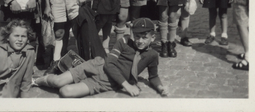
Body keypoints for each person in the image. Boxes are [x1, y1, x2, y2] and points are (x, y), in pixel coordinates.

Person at [33, 18, 168, 98]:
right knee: (58, 81)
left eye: (144, 37)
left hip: (108, 82)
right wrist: (127, 86)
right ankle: (37, 80)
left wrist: (160, 88)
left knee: (65, 91)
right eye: (137, 36)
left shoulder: (152, 55)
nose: (140, 41)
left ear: (153, 38)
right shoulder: (124, 42)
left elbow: (153, 76)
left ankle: (74, 74)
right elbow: (109, 64)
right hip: (98, 66)